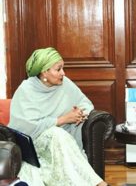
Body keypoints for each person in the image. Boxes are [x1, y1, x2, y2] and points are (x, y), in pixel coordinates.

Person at [8, 47, 109, 186]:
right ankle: (98, 183)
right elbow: (26, 126)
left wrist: (78, 113)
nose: (63, 73)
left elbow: (85, 102)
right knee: (56, 133)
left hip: (64, 141)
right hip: (34, 143)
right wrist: (62, 119)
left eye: (63, 68)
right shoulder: (26, 90)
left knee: (59, 135)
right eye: (58, 69)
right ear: (44, 71)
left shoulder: (65, 83)